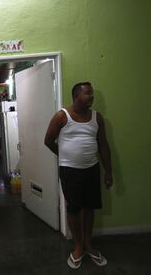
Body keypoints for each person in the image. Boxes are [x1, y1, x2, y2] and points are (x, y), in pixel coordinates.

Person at [44, 82, 113, 269]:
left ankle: (88, 244)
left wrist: (108, 171)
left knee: (89, 207)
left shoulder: (97, 117)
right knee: (74, 208)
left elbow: (103, 145)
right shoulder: (62, 116)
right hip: (69, 170)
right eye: (88, 94)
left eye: (92, 94)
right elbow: (48, 140)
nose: (91, 96)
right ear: (76, 96)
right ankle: (78, 245)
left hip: (92, 168)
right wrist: (65, 155)